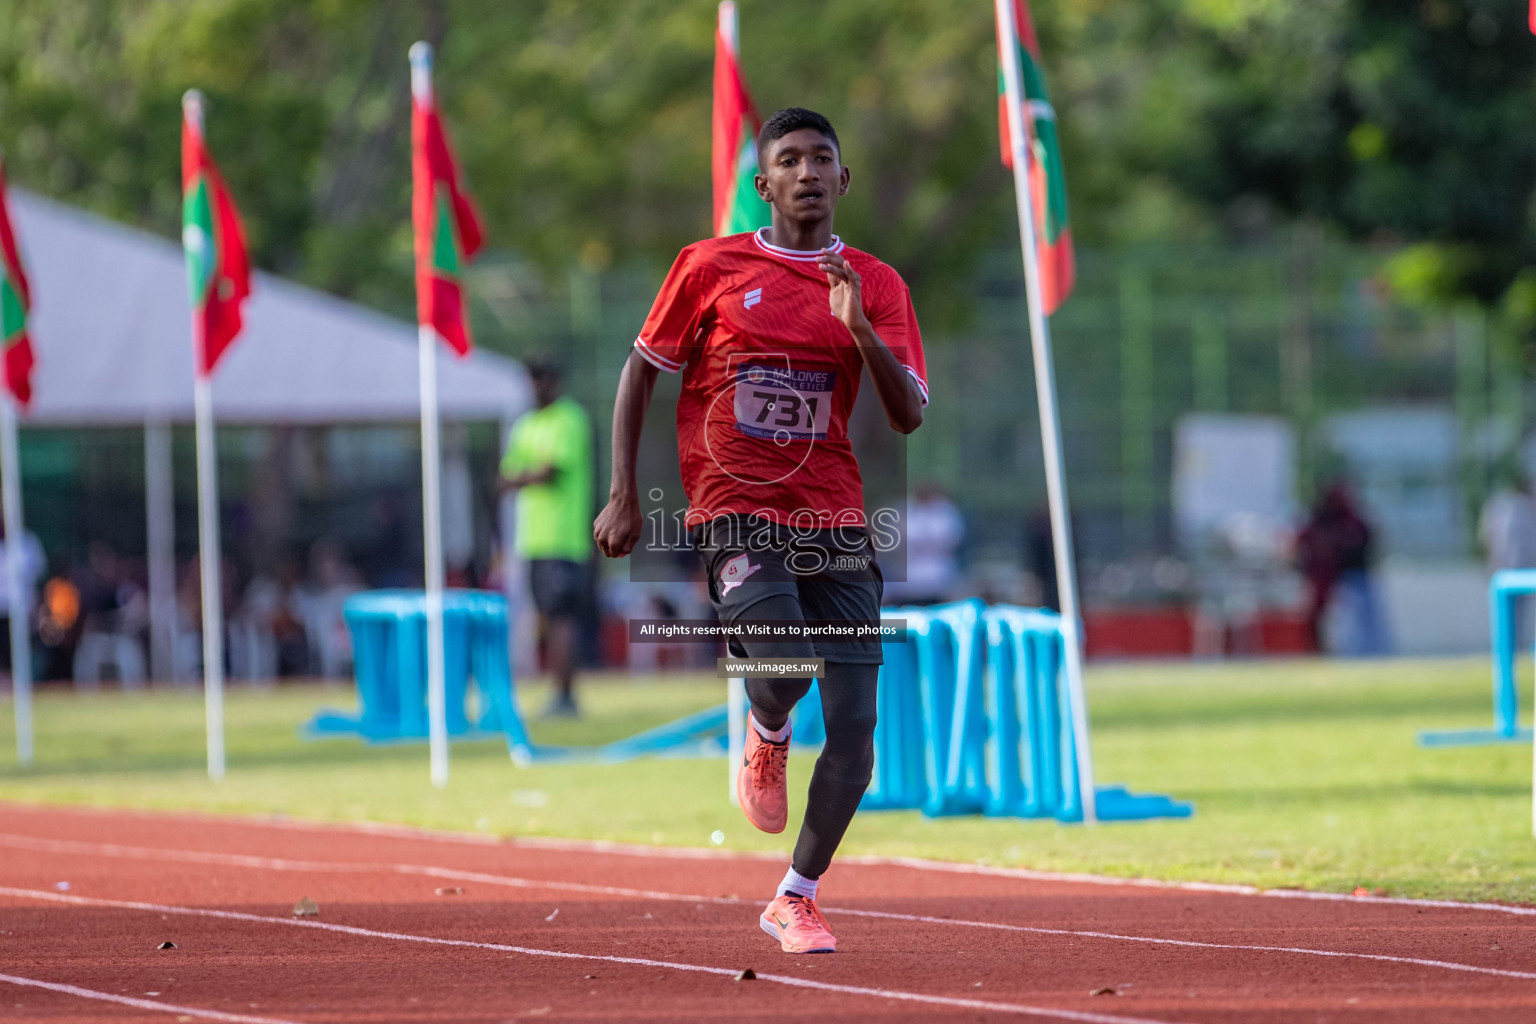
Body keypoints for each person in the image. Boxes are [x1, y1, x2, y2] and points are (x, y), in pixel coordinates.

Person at [594, 108, 927, 954]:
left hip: (835, 517)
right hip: (733, 507)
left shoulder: (876, 285)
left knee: (856, 728)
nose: (808, 171)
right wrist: (624, 492)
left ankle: (797, 895)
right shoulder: (708, 267)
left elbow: (909, 414)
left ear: (843, 182)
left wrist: (856, 327)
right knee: (783, 668)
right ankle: (767, 730)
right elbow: (641, 370)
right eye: (790, 159)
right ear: (765, 183)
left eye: (823, 158)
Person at [500, 359, 593, 718]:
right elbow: (507, 474)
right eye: (532, 379)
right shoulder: (527, 424)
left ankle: (565, 696)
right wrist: (527, 474)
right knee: (547, 617)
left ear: (554, 381)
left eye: (542, 378)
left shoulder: (569, 419)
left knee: (561, 618)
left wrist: (526, 475)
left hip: (563, 538)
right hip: (533, 539)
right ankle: (560, 693)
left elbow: (548, 472)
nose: (536, 386)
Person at [1295, 481, 1386, 656]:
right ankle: (1320, 651)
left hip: (1353, 575)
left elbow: (1366, 542)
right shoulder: (1322, 520)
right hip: (1329, 576)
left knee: (1363, 620)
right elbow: (1306, 544)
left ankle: (1369, 653)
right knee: (1327, 618)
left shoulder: (1351, 521)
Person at [1479, 472, 1536, 648]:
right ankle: (1510, 648)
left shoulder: (1497, 506)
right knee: (1510, 614)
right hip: (1515, 568)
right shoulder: (1520, 507)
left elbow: (1484, 536)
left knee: (1508, 615)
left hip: (1508, 568)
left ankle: (1510, 647)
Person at [885, 483, 963, 605]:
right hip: (909, 580)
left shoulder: (946, 511)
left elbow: (952, 540)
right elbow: (895, 542)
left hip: (939, 576)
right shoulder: (904, 510)